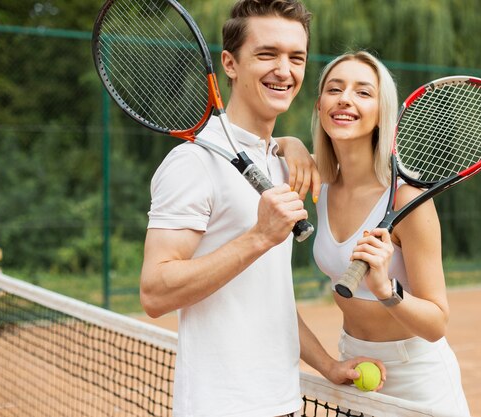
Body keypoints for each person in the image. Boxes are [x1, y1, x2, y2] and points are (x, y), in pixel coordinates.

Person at [139, 2, 382, 416]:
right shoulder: (191, 163)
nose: (284, 70)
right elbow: (154, 292)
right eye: (267, 54)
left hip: (283, 401)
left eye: (296, 58)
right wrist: (259, 237)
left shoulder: (281, 163)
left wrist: (327, 365)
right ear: (230, 64)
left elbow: (269, 299)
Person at [289, 51, 471, 415]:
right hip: (354, 366)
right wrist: (288, 143)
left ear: (381, 114)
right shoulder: (319, 184)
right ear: (319, 106)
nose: (345, 99)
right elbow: (264, 147)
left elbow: (437, 323)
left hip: (417, 377)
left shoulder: (407, 200)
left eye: (363, 92)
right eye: (334, 89)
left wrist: (387, 291)